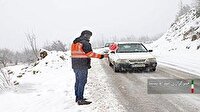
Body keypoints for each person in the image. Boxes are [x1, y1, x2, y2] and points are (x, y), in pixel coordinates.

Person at [71, 30, 107, 105]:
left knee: (78, 81)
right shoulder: (85, 43)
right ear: (86, 35)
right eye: (89, 36)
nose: (90, 38)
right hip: (82, 65)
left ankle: (78, 97)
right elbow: (90, 54)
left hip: (75, 65)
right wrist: (102, 56)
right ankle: (80, 99)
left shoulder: (75, 42)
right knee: (82, 82)